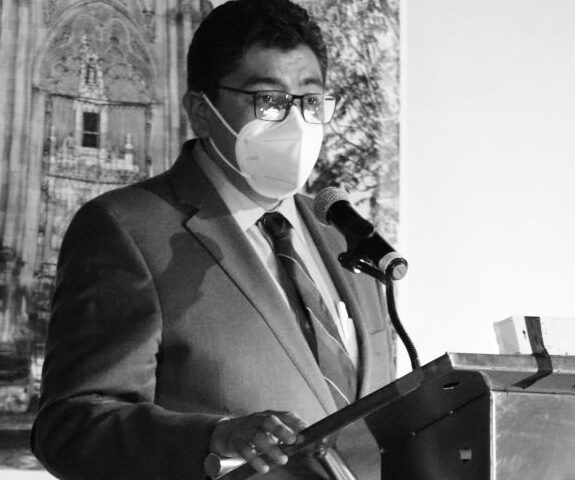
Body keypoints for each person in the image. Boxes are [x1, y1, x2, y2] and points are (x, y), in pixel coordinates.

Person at [30, 1, 396, 479]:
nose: (297, 123)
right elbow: (70, 427)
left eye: (310, 100)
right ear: (202, 113)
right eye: (269, 100)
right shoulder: (125, 228)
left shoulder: (344, 233)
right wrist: (213, 437)